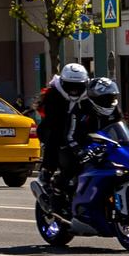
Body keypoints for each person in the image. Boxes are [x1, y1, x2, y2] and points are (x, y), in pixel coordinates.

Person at [34, 62, 91, 201]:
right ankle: (46, 171)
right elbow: (52, 119)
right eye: (70, 85)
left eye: (78, 85)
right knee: (56, 137)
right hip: (54, 126)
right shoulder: (54, 94)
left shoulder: (89, 95)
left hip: (77, 129)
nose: (74, 89)